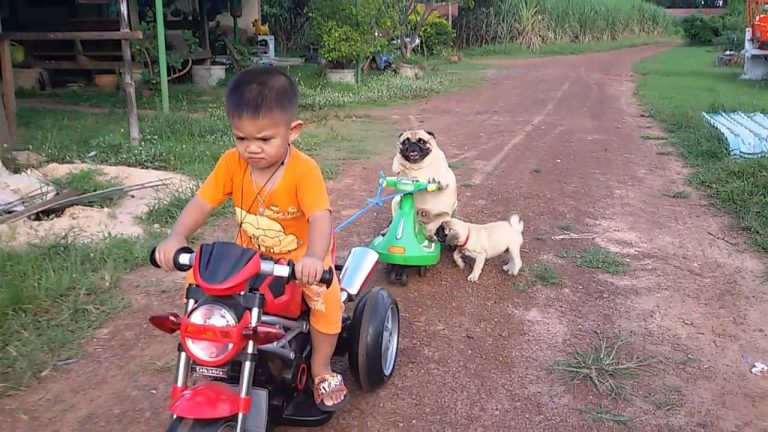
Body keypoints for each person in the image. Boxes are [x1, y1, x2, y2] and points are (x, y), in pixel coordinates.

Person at [153, 67, 347, 411]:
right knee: (198, 286)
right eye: (241, 138)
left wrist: (315, 259)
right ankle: (213, 354)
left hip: (298, 259)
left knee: (326, 302)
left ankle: (320, 367)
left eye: (265, 139)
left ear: (293, 131)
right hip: (248, 258)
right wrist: (176, 237)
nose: (252, 149)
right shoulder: (231, 164)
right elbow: (202, 201)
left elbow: (320, 217)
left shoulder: (305, 171)